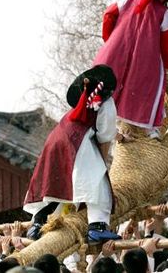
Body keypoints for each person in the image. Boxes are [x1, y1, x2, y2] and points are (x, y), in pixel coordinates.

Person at [23, 65, 120, 244]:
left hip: (55, 141)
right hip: (78, 143)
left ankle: (38, 224)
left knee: (57, 184)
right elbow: (104, 136)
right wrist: (102, 166)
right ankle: (97, 227)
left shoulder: (80, 104)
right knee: (98, 183)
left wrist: (118, 134)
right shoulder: (107, 103)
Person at [92, 0, 168, 139]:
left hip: (114, 53)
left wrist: (111, 39)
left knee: (103, 91)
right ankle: (149, 130)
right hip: (144, 62)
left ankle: (96, 120)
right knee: (149, 88)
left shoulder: (125, 2)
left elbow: (108, 15)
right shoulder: (165, 15)